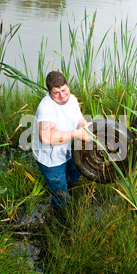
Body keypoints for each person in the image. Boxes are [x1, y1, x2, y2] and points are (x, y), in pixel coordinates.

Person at [31, 71, 91, 217]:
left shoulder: (72, 99)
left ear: (67, 85)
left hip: (69, 152)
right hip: (51, 160)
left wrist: (88, 127)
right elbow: (46, 137)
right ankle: (59, 219)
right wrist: (77, 134)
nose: (62, 96)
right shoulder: (46, 108)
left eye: (64, 90)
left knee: (74, 177)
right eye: (56, 93)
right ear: (49, 92)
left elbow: (80, 121)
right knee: (61, 197)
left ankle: (65, 187)